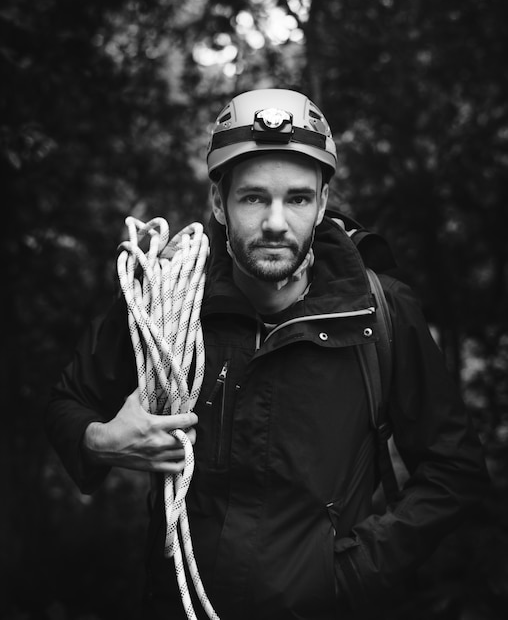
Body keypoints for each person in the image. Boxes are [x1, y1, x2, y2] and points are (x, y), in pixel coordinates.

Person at [45, 88, 487, 620]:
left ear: (322, 203)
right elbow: (67, 403)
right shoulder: (162, 299)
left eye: (298, 198)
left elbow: (453, 470)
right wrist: (100, 442)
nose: (276, 222)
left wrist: (353, 574)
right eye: (254, 197)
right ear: (219, 203)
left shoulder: (378, 313)